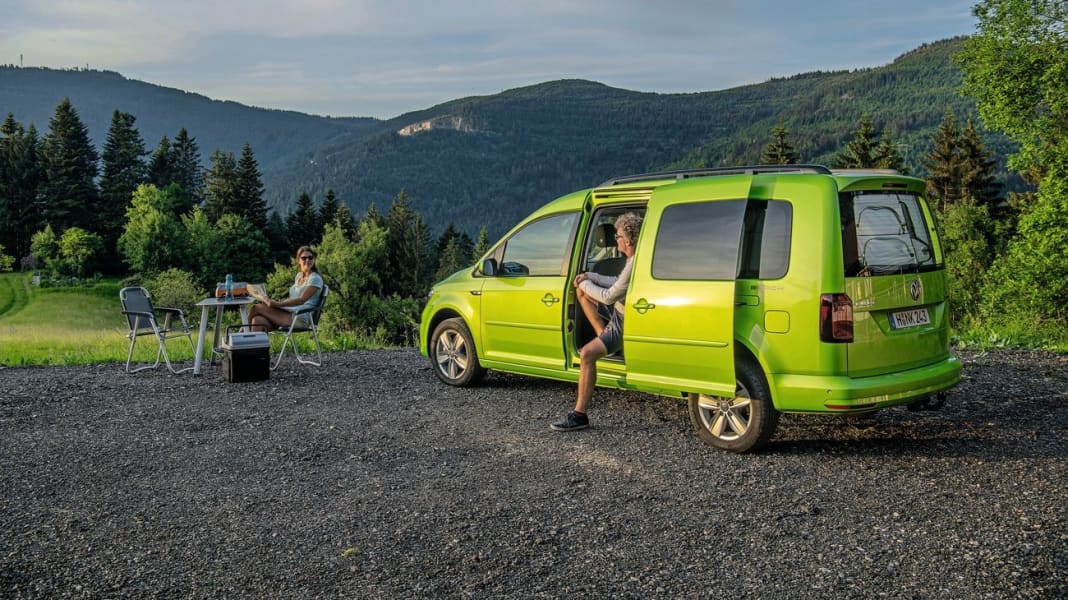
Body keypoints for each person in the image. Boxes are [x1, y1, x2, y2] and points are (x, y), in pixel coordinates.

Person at [551, 212, 643, 431]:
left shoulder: (633, 262)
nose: (616, 239)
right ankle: (604, 337)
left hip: (623, 319)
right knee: (584, 294)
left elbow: (609, 296)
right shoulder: (635, 259)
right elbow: (617, 283)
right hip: (621, 311)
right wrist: (589, 277)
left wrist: (582, 284)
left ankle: (579, 415)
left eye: (618, 235)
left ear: (628, 239)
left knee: (586, 354)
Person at [247, 246, 324, 332]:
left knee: (256, 308)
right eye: (304, 258)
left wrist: (278, 304)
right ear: (298, 260)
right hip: (289, 312)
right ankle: (252, 344)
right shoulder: (299, 276)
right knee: (257, 320)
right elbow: (292, 299)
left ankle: (241, 334)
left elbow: (301, 300)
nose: (307, 260)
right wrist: (275, 302)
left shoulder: (315, 278)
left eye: (310, 257)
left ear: (314, 260)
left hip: (299, 318)